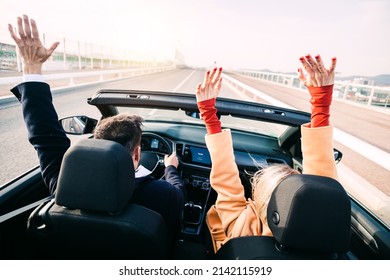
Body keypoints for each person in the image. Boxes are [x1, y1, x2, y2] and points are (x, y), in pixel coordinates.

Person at [8, 15, 186, 235]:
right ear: (137, 153)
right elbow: (179, 194)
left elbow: (44, 135)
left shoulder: (66, 184)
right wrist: (171, 168)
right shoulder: (161, 194)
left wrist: (31, 67)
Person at [196, 56, 338, 252]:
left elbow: (225, 177)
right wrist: (321, 104)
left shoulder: (243, 227)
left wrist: (210, 116)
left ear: (259, 199)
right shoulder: (318, 238)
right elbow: (323, 186)